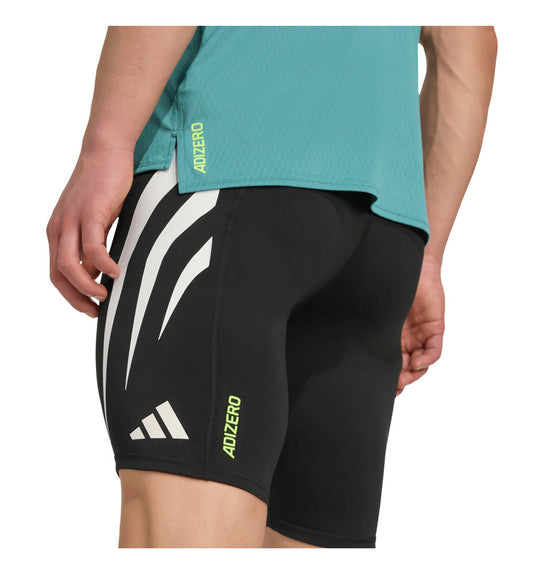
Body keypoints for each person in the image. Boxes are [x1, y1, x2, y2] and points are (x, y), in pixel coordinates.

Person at [45, 26, 497, 548]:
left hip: (220, 176)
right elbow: (470, 39)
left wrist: (106, 146)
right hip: (381, 240)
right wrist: (427, 255)